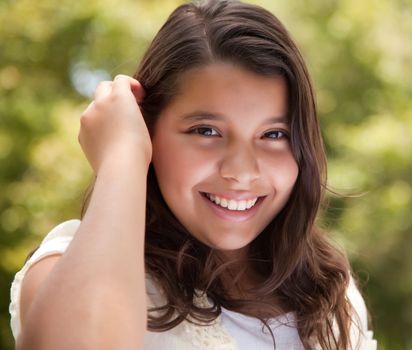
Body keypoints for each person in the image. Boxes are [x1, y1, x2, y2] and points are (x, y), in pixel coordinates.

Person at [9, 1, 377, 349]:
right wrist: (121, 157)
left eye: (274, 135)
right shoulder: (69, 265)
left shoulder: (328, 294)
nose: (241, 171)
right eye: (206, 131)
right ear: (147, 127)